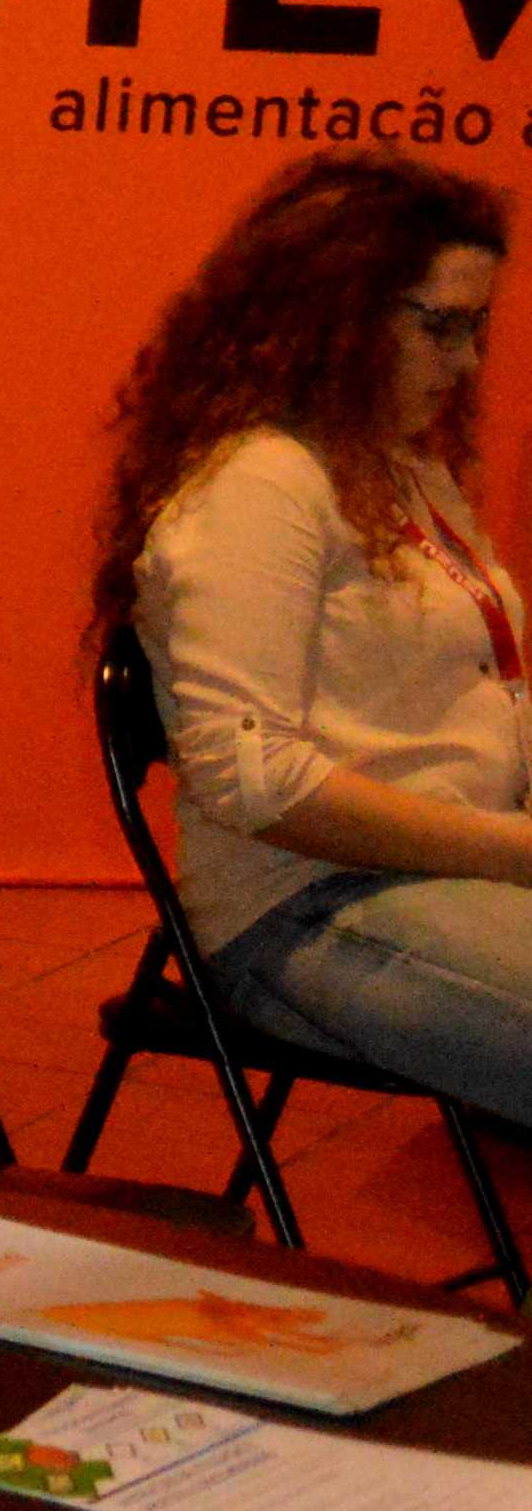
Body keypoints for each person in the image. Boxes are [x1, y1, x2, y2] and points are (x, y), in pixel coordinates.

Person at [107, 147, 531, 1121]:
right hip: (307, 907)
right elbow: (256, 780)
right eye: (441, 326)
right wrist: (512, 850)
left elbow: (485, 694)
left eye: (476, 328)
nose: (467, 362)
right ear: (334, 316)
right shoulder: (261, 483)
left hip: (450, 870)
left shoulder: (401, 467)